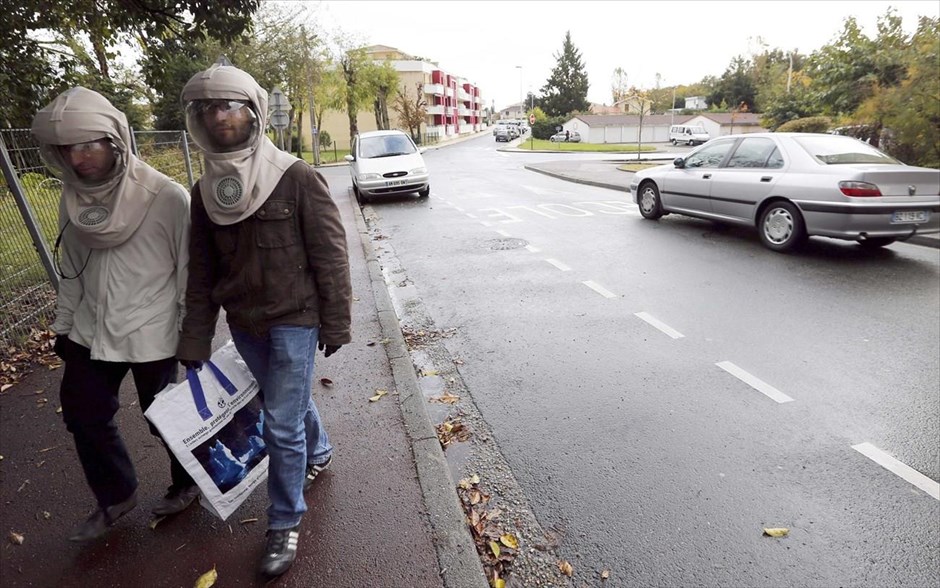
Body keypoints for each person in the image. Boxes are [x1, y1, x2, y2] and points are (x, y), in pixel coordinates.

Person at [176, 64, 352, 578]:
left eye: (230, 105)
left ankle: (283, 520)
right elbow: (203, 270)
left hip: (296, 318)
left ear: (252, 112)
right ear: (198, 121)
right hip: (245, 323)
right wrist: (196, 338)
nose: (220, 116)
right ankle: (319, 448)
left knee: (278, 421)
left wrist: (336, 323)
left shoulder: (294, 176)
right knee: (289, 406)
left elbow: (331, 254)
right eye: (209, 108)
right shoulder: (203, 193)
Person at [30, 87, 196, 542]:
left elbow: (188, 271)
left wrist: (192, 337)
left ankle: (188, 484)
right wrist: (63, 327)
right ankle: (116, 495)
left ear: (115, 141)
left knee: (163, 417)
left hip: (152, 327)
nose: (79, 157)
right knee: (83, 413)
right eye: (69, 148)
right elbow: (72, 269)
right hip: (90, 326)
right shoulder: (73, 197)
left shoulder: (167, 196)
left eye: (88, 144)